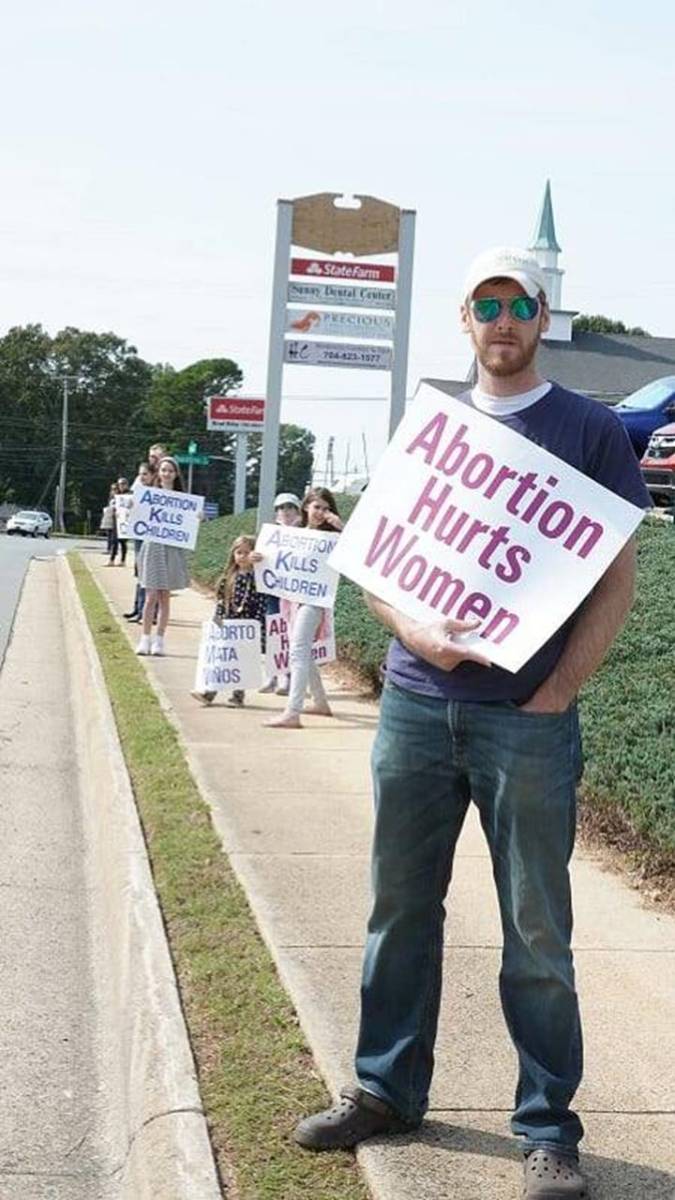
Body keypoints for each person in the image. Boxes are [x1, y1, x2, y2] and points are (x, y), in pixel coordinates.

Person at [294, 247, 651, 1199]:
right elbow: (374, 559)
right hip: (415, 705)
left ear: (543, 320)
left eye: (519, 305)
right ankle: (383, 1090)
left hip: (524, 723)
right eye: (486, 305)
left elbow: (615, 577)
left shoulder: (588, 429)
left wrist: (556, 693)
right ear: (464, 319)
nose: (502, 320)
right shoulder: (432, 424)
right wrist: (416, 632)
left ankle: (546, 1129)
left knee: (537, 929)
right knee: (398, 910)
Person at [265, 487, 343, 730]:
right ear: (306, 507)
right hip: (294, 600)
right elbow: (275, 555)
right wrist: (259, 558)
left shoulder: (333, 538)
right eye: (317, 507)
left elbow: (358, 549)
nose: (320, 512)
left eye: (325, 508)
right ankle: (320, 702)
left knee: (297, 651)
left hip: (315, 601)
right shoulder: (296, 534)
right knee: (304, 651)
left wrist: (340, 526)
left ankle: (292, 711)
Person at [191, 535, 267, 707]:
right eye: (238, 552)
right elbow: (221, 601)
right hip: (229, 625)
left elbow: (262, 602)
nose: (242, 556)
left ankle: (238, 696)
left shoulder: (258, 578)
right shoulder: (228, 578)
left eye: (246, 553)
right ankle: (209, 692)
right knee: (223, 659)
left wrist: (257, 626)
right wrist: (217, 621)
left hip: (247, 628)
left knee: (242, 662)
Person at [135, 456, 191, 657]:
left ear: (176, 474)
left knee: (165, 597)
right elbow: (137, 515)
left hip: (171, 548)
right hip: (152, 547)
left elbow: (189, 522)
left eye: (170, 470)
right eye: (164, 470)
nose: (167, 473)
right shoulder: (149, 495)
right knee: (150, 597)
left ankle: (160, 639)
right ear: (158, 473)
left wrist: (198, 517)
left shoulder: (183, 499)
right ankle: (145, 638)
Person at [258, 492, 302, 696]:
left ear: (298, 511)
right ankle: (272, 675)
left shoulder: (306, 535)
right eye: (282, 508)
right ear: (276, 513)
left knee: (291, 635)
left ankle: (287, 677)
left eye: (290, 507)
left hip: (296, 594)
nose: (286, 512)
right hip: (274, 592)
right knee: (274, 632)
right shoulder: (269, 535)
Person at [123, 462, 155, 622]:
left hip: (151, 538)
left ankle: (146, 612)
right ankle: (138, 608)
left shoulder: (157, 493)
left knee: (149, 575)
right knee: (140, 572)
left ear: (152, 475)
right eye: (140, 474)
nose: (142, 477)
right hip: (139, 536)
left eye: (145, 474)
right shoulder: (137, 490)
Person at [109, 477, 133, 566]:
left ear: (127, 484)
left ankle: (123, 560)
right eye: (119, 484)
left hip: (125, 520)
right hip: (117, 519)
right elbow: (112, 505)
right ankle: (111, 560)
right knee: (114, 540)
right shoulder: (116, 494)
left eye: (123, 484)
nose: (121, 486)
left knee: (123, 542)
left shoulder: (130, 494)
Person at [100, 485, 116, 555]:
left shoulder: (119, 498)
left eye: (115, 489)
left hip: (115, 519)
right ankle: (109, 549)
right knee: (109, 535)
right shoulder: (110, 499)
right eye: (112, 489)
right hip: (109, 518)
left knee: (114, 536)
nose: (113, 491)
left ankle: (113, 550)